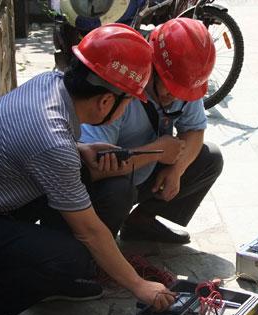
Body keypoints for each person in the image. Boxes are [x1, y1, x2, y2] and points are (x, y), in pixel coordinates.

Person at [0, 24, 175, 315]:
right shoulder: (52, 141)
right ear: (106, 102)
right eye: (127, 103)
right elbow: (90, 232)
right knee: (73, 256)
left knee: (98, 183)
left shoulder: (50, 84)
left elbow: (36, 145)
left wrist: (81, 149)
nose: (127, 109)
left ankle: (51, 280)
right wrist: (138, 285)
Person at [80, 18, 223, 244]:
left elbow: (195, 130)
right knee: (117, 190)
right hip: (106, 180)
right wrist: (157, 151)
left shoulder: (185, 83)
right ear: (152, 65)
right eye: (169, 86)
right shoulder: (121, 84)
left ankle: (141, 222)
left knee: (209, 158)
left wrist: (177, 169)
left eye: (183, 91)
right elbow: (95, 166)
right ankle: (95, 246)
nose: (175, 96)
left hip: (145, 173)